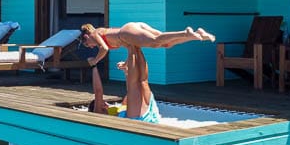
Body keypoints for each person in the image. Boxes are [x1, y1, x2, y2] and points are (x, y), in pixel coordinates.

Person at [80, 22, 215, 67]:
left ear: (86, 36)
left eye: (87, 45)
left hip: (126, 31)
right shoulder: (106, 35)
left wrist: (95, 60)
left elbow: (103, 48)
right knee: (164, 44)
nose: (91, 47)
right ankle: (197, 35)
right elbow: (131, 47)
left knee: (155, 41)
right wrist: (126, 64)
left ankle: (185, 32)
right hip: (129, 31)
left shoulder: (94, 34)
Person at [88, 47, 160, 123]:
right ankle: (132, 47)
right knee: (137, 83)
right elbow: (98, 91)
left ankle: (136, 47)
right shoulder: (99, 113)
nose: (105, 103)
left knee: (143, 81)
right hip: (139, 118)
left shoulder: (118, 108)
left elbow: (130, 94)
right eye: (102, 102)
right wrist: (94, 66)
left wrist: (126, 72)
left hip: (150, 114)